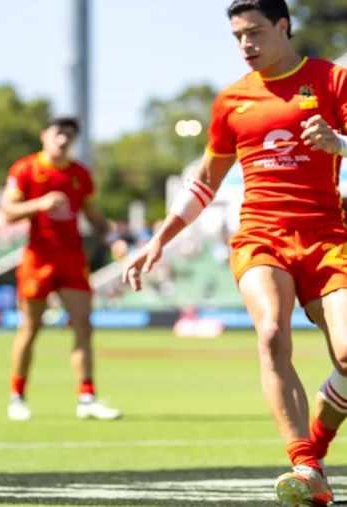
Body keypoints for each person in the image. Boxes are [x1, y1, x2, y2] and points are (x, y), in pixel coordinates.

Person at [123, 1, 347, 504]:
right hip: (261, 236)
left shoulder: (331, 80)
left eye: (256, 32)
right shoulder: (231, 101)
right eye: (238, 36)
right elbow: (204, 181)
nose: (246, 44)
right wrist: (158, 239)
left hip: (328, 236)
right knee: (270, 332)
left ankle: (320, 433)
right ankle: (306, 466)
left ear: (284, 27)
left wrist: (341, 143)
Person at [0, 116, 121, 422]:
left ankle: (87, 397)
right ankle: (17, 396)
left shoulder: (81, 174)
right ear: (45, 135)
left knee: (84, 327)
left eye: (69, 135)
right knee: (30, 328)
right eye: (58, 133)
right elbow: (8, 211)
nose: (63, 140)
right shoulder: (25, 169)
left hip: (72, 259)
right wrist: (38, 204)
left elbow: (94, 216)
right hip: (37, 259)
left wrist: (114, 238)